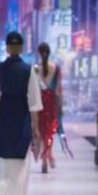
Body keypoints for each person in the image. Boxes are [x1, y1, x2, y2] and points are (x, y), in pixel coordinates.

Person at [0, 32, 43, 195]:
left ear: (6, 47)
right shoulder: (28, 70)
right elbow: (34, 102)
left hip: (4, 117)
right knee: (22, 163)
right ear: (21, 47)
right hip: (22, 117)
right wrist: (36, 129)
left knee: (5, 163)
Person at [35, 43, 62, 173]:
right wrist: (60, 106)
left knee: (41, 131)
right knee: (50, 131)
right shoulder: (56, 68)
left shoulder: (35, 69)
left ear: (39, 53)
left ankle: (45, 158)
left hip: (39, 102)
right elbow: (58, 90)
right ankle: (48, 155)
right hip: (51, 103)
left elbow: (33, 89)